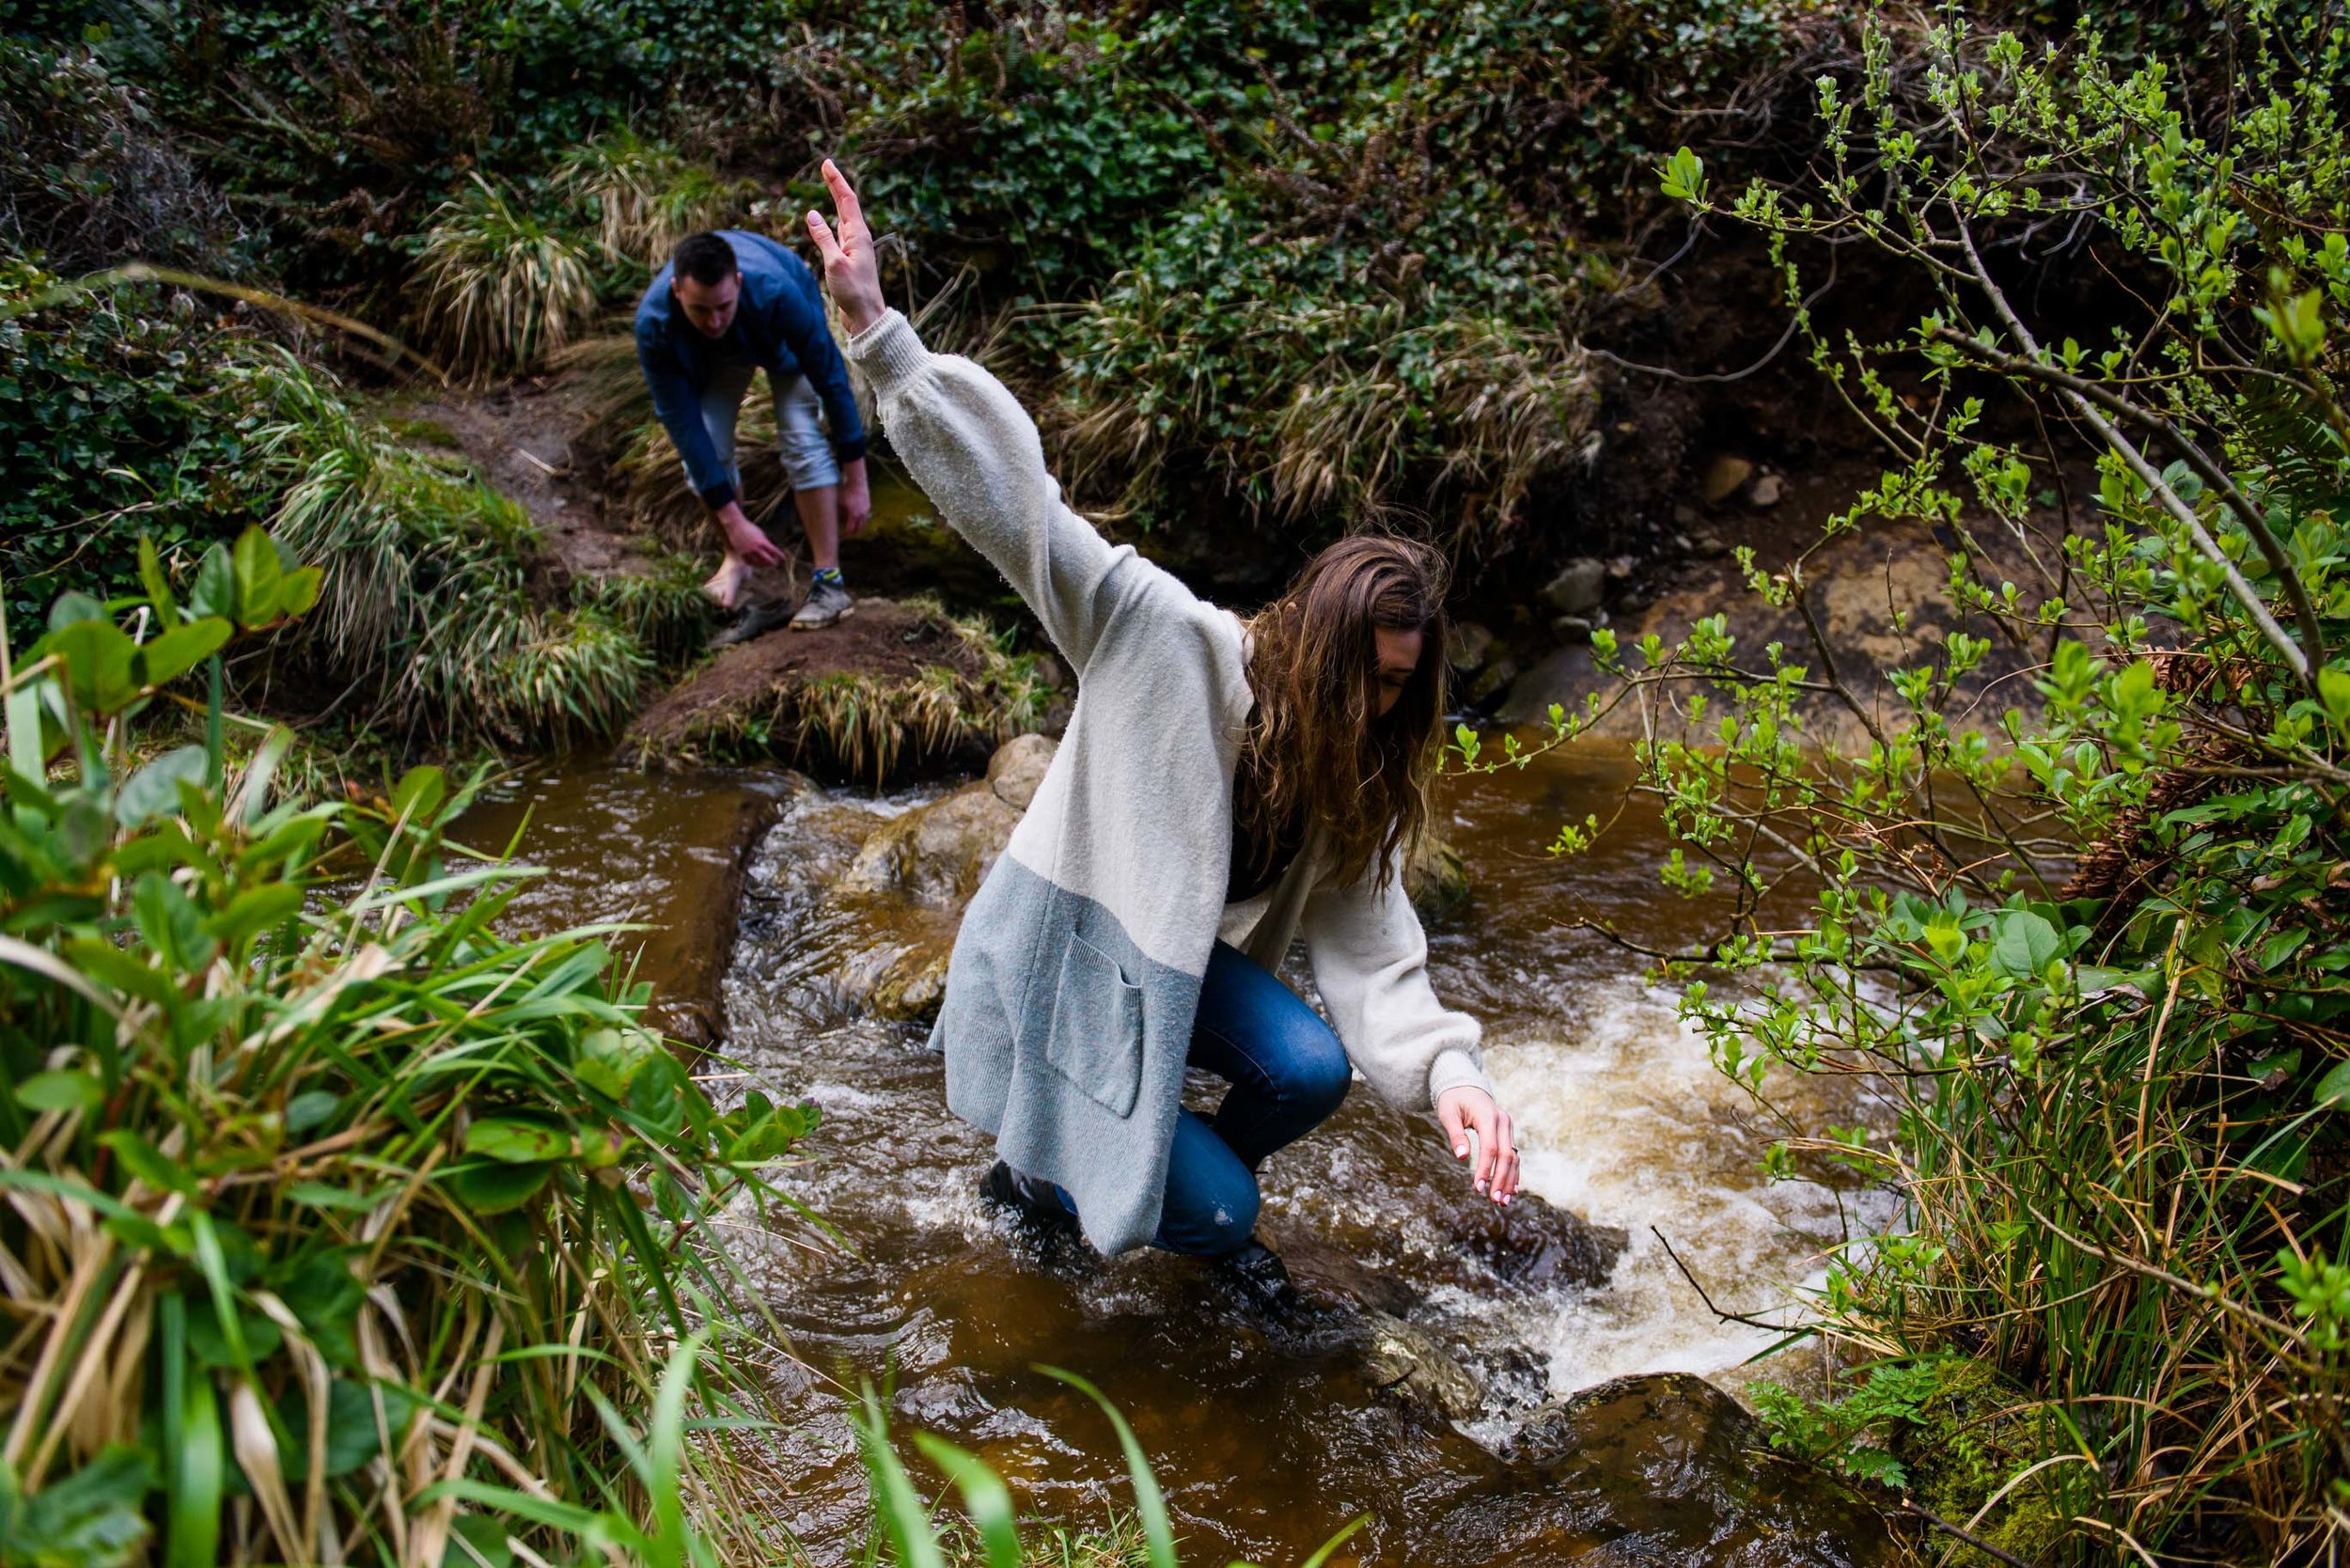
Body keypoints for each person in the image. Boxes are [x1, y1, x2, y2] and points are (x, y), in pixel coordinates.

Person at [805, 162, 1521, 1310]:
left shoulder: (1352, 769)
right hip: (1065, 971)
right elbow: (1023, 516)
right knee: (1229, 1212)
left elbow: (1378, 955)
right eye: (1368, 679)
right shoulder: (1165, 636)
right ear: (1317, 642)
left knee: (1308, 1068)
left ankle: (1107, 1184)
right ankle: (1058, 1187)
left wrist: (1452, 1080)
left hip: (1169, 984)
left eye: (1402, 690)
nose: (1381, 710)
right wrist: (881, 336)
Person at [634, 228, 873, 640]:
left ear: (738, 283)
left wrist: (857, 479)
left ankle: (829, 582)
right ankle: (735, 560)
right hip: (718, 359)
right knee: (707, 444)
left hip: (779, 344)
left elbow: (831, 378)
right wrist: (734, 524)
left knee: (801, 437)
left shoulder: (776, 292)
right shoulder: (655, 324)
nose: (714, 320)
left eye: (723, 307)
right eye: (700, 309)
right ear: (676, 291)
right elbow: (684, 426)